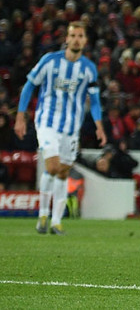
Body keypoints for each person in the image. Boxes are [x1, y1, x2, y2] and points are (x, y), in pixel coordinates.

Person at [14, 21, 107, 235]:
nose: (76, 39)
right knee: (53, 166)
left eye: (80, 35)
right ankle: (43, 215)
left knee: (63, 172)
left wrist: (99, 126)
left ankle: (56, 221)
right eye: (73, 35)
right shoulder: (49, 61)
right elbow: (29, 85)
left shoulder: (89, 69)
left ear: (85, 40)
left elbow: (94, 101)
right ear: (66, 38)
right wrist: (21, 115)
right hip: (47, 121)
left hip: (71, 126)